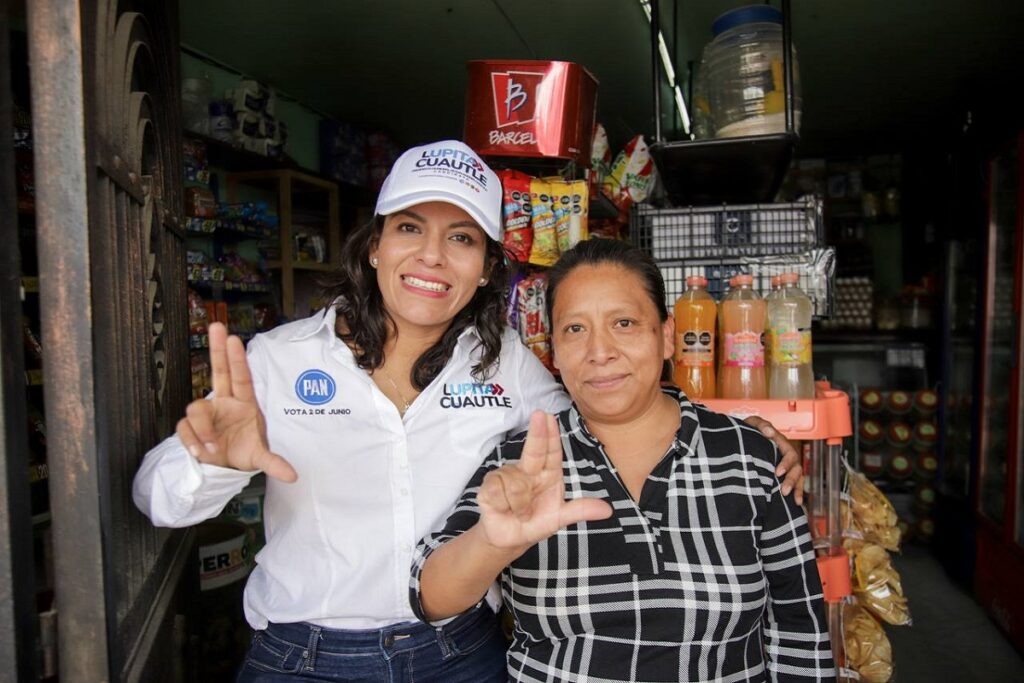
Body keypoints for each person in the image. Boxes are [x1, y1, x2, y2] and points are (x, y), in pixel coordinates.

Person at [133, 140, 804, 682]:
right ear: (375, 245)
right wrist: (214, 463)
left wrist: (734, 434)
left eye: (461, 237)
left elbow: (607, 409)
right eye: (409, 228)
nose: (431, 255)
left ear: (484, 267)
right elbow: (155, 499)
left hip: (460, 655)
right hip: (302, 658)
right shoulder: (278, 360)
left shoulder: (508, 364)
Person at [412, 239, 835, 682]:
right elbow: (429, 597)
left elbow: (800, 630)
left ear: (667, 336)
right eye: (575, 329)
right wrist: (492, 542)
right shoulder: (523, 463)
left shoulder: (749, 458)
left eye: (624, 323)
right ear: (553, 349)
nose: (600, 351)